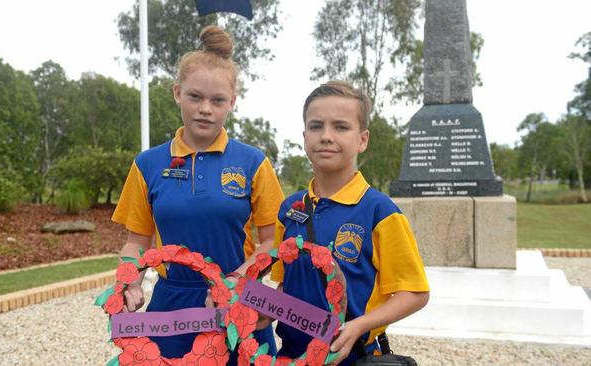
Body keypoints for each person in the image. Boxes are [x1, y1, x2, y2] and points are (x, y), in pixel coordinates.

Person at [112, 25, 283, 363]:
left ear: (232, 102)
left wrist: (238, 281)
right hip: (172, 306)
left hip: (239, 301)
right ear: (177, 93)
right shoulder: (147, 165)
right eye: (195, 97)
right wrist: (129, 282)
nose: (206, 108)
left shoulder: (253, 162)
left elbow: (272, 242)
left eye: (217, 100)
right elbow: (137, 241)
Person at [270, 81, 430, 365]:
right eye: (316, 126)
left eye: (341, 127)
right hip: (291, 357)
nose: (326, 136)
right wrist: (262, 310)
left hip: (350, 356)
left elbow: (415, 293)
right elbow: (286, 287)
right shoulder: (289, 209)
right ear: (304, 135)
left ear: (362, 139)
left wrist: (360, 325)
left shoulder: (379, 211)